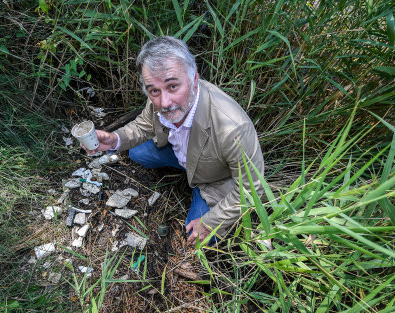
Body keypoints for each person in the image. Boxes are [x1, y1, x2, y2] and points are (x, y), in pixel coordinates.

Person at [86, 36, 264, 245]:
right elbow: (144, 124)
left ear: (194, 79)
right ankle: (183, 167)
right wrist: (115, 139)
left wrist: (210, 221)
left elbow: (253, 189)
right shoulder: (161, 96)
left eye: (173, 87)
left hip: (214, 179)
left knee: (195, 239)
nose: (164, 102)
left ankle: (199, 195)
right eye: (154, 91)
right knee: (136, 152)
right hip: (186, 154)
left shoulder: (233, 128)